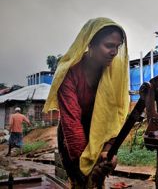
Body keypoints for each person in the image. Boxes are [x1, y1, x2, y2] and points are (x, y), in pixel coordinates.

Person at [43, 18, 129, 188]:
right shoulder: (68, 73)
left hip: (100, 131)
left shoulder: (113, 73)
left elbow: (115, 113)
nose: (114, 52)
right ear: (90, 44)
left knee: (99, 179)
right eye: (109, 45)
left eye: (117, 47)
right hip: (72, 135)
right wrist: (87, 166)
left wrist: (107, 150)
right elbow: (72, 122)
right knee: (81, 182)